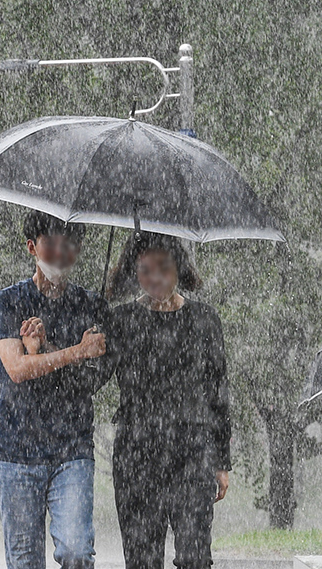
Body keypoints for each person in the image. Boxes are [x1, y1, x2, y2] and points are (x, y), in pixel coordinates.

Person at [102, 232, 231, 569]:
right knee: (142, 561)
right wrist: (83, 345)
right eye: (145, 270)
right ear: (134, 272)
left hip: (193, 455)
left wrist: (221, 461)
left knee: (195, 557)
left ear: (179, 267)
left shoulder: (204, 319)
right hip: (136, 457)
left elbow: (218, 393)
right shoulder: (120, 321)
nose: (155, 278)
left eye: (163, 267)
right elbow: (90, 380)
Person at [0, 211, 109, 569]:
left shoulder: (92, 307)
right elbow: (17, 370)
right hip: (16, 451)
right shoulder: (7, 302)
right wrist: (75, 351)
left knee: (77, 551)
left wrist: (44, 350)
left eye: (69, 244)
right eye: (51, 243)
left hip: (72, 450)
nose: (60, 252)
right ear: (31, 247)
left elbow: (91, 381)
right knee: (24, 561)